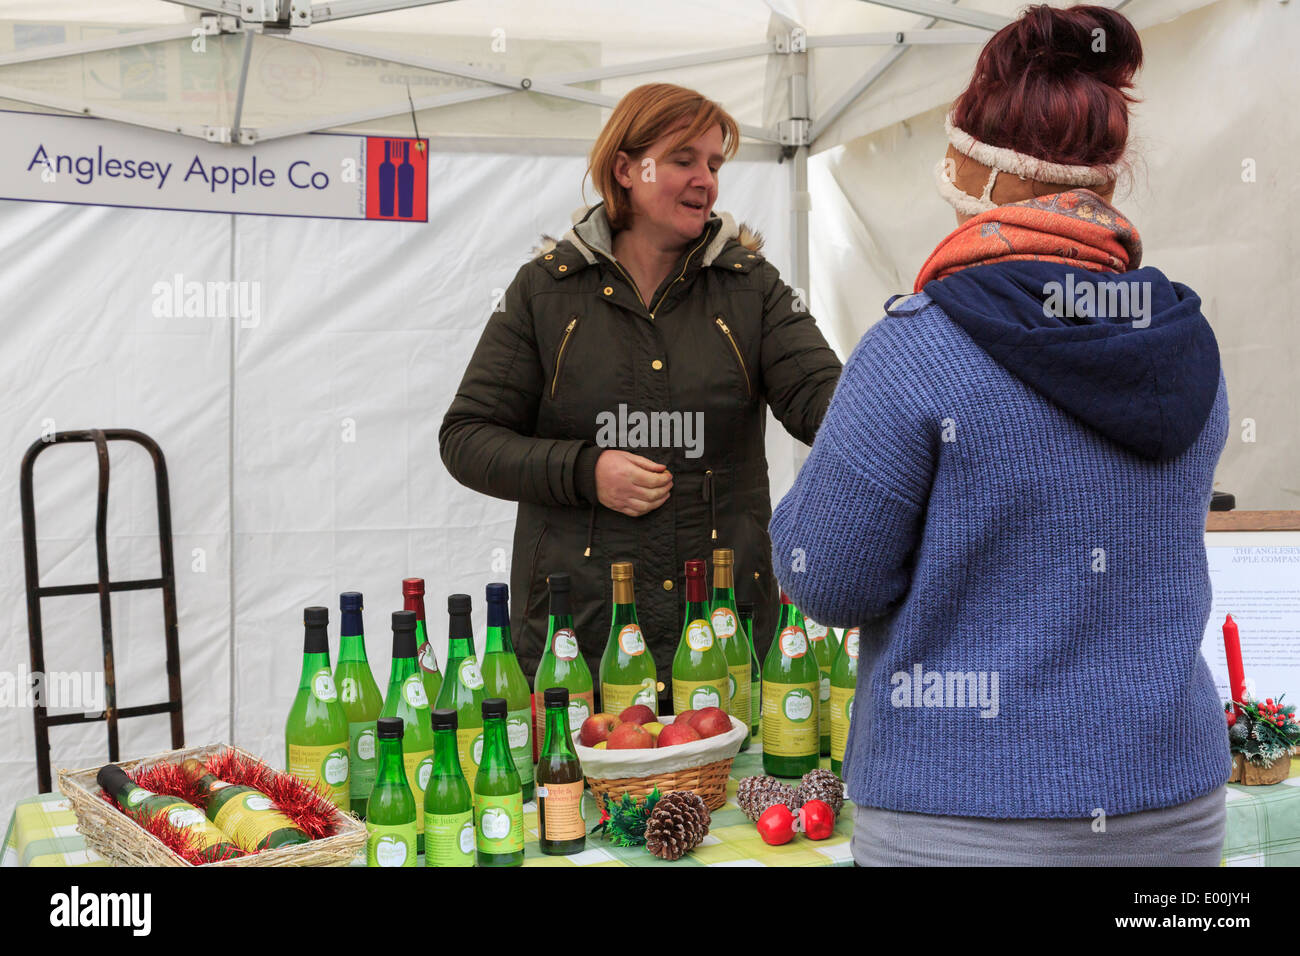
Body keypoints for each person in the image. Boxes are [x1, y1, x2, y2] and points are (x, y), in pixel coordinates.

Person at [770, 4, 1230, 865]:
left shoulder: (915, 349)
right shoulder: (1184, 343)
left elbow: (825, 579)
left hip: (964, 820)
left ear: (983, 174)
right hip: (1175, 815)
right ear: (1104, 178)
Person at [440, 83, 841, 706]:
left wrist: (912, 392)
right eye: (684, 159)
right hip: (579, 642)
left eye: (714, 164)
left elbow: (827, 401)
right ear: (625, 169)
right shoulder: (545, 292)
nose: (705, 179)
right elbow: (466, 440)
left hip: (720, 636)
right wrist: (583, 469)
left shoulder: (752, 289)